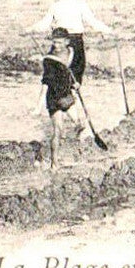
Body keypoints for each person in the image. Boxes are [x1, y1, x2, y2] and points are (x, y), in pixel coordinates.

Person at [36, 0, 112, 84]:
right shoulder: (81, 4)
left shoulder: (55, 6)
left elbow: (43, 24)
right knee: (76, 74)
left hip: (59, 42)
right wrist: (109, 31)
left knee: (55, 74)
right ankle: (73, 96)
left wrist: (28, 30)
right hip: (76, 42)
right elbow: (93, 23)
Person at [39, 32, 84, 168]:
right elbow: (46, 83)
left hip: (67, 95)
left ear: (66, 41)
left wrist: (76, 83)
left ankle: (73, 144)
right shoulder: (49, 60)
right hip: (54, 98)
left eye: (59, 42)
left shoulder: (71, 53)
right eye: (54, 42)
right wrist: (38, 104)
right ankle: (54, 163)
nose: (56, 45)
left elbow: (73, 71)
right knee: (57, 130)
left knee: (81, 124)